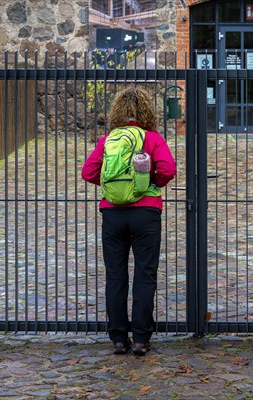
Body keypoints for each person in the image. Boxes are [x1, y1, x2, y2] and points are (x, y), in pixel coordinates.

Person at [81, 87, 177, 356]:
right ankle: (141, 339)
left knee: (115, 276)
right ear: (147, 111)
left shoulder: (108, 140)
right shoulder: (152, 138)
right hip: (146, 213)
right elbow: (168, 169)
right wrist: (147, 183)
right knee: (145, 275)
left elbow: (88, 172)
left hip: (112, 214)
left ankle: (118, 339)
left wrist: (112, 186)